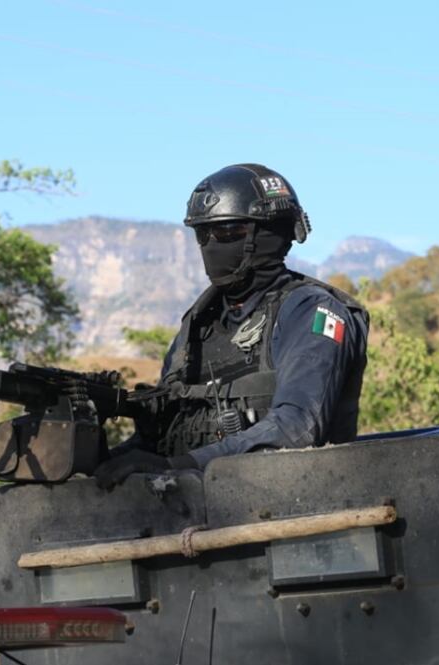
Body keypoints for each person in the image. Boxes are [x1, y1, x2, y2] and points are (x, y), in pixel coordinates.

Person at [94, 164, 369, 489]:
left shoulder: (311, 312)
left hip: (298, 503)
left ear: (270, 233)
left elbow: (297, 427)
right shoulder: (198, 327)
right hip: (196, 505)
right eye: (203, 234)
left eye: (226, 232)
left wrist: (181, 466)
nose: (212, 244)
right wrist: (97, 456)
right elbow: (164, 436)